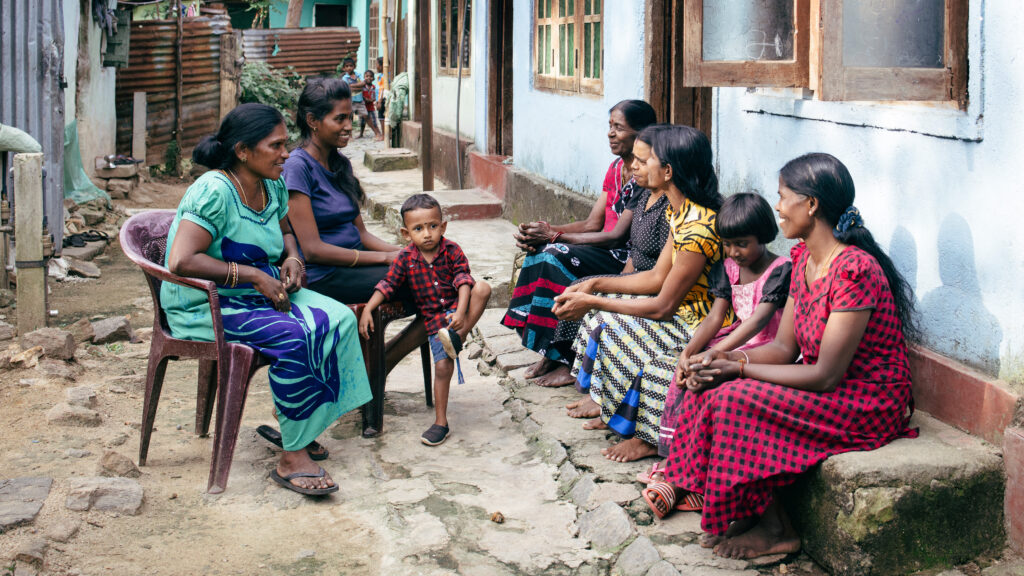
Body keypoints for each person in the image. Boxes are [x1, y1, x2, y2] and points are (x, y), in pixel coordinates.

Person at [647, 153, 918, 560]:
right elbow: (783, 348)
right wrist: (719, 360)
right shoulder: (803, 259)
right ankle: (745, 510)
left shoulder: (853, 270)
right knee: (712, 388)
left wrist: (739, 369)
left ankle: (778, 529)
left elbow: (826, 375)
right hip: (827, 383)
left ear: (811, 205)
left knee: (735, 399)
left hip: (868, 399)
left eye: (783, 196)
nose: (777, 207)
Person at [162, 103, 372, 496]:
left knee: (339, 319)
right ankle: (291, 458)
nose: (286, 153)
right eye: (275, 146)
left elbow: (286, 229)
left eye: (285, 144)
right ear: (243, 151)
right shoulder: (214, 190)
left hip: (255, 294)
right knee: (294, 336)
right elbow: (181, 260)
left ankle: (299, 424)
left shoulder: (271, 184)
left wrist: (292, 257)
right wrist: (255, 275)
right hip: (206, 304)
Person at [553, 124, 727, 463]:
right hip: (679, 311)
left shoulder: (699, 227)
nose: (636, 166)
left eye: (645, 161)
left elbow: (663, 306)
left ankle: (647, 437)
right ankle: (612, 407)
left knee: (614, 329)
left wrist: (593, 299)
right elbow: (656, 277)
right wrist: (596, 284)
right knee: (600, 316)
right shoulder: (682, 213)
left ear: (668, 171)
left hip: (699, 324)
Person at [502, 100, 659, 387]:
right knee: (539, 250)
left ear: (642, 133)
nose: (610, 133)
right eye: (610, 126)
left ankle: (566, 357)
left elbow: (617, 236)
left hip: (620, 255)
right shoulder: (615, 169)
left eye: (619, 128)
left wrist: (554, 238)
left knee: (553, 255)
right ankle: (548, 349)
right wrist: (545, 230)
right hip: (600, 246)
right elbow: (591, 224)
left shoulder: (644, 178)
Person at [639, 192, 792, 485]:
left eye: (742, 244)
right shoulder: (727, 268)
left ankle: (694, 468)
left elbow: (759, 320)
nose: (734, 251)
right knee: (685, 372)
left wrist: (716, 353)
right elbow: (714, 317)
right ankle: (674, 459)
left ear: (763, 236)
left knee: (708, 375)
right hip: (734, 338)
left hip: (764, 344)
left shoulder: (780, 270)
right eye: (728, 244)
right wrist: (690, 351)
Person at [283, 77, 424, 376]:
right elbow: (313, 249)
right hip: (325, 275)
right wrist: (386, 258)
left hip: (357, 268)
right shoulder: (298, 167)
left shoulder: (340, 164)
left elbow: (361, 234)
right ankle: (373, 369)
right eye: (340, 118)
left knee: (440, 271)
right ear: (313, 121)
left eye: (351, 116)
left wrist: (406, 250)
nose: (349, 125)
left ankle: (380, 362)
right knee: (430, 281)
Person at [359, 194, 492, 446]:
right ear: (406, 233)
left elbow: (464, 281)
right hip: (433, 321)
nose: (427, 234)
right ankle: (441, 422)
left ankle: (459, 336)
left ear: (443, 226)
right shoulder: (405, 258)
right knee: (443, 367)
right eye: (418, 229)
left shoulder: (452, 250)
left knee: (483, 288)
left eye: (433, 226)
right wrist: (368, 309)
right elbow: (387, 284)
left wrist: (461, 314)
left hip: (455, 313)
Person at [340, 57, 383, 140]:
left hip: (360, 101)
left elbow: (364, 83)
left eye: (351, 66)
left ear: (354, 66)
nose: (349, 68)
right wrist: (357, 86)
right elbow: (347, 88)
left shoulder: (358, 74)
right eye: (347, 66)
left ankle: (377, 133)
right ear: (344, 68)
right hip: (350, 101)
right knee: (350, 118)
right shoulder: (345, 78)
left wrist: (352, 86)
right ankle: (350, 136)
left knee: (366, 116)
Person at [360, 69, 385, 142]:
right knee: (362, 122)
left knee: (374, 120)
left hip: (371, 107)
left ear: (373, 78)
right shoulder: (362, 86)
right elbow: (361, 95)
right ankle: (361, 133)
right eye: (367, 76)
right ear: (364, 77)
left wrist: (372, 100)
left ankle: (377, 132)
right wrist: (365, 99)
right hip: (363, 106)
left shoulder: (374, 87)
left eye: (370, 76)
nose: (368, 78)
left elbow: (375, 97)